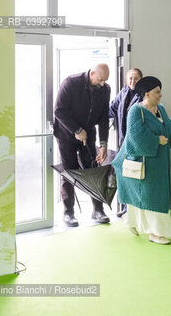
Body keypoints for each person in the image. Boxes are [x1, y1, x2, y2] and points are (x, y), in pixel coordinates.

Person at [112, 76, 171, 245]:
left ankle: (131, 221)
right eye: (157, 92)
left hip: (159, 163)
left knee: (148, 197)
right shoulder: (136, 111)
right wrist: (157, 140)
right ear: (147, 94)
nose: (160, 95)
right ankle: (155, 232)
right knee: (150, 197)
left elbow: (170, 126)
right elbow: (135, 136)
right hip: (143, 163)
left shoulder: (161, 109)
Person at [54, 63, 111, 227]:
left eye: (105, 81)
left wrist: (103, 144)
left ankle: (97, 210)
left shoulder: (105, 89)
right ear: (92, 73)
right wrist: (77, 130)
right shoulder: (71, 83)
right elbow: (59, 110)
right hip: (66, 135)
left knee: (93, 171)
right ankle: (68, 213)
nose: (102, 84)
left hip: (89, 135)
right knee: (69, 172)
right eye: (100, 80)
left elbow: (104, 118)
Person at [109, 68, 143, 217]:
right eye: (130, 78)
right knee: (124, 175)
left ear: (141, 79)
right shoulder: (122, 93)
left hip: (136, 143)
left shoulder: (144, 95)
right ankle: (126, 207)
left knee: (135, 174)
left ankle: (134, 208)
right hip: (123, 142)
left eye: (135, 78)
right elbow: (111, 109)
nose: (132, 81)